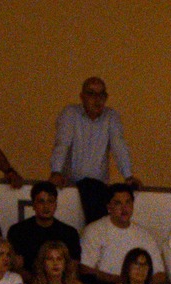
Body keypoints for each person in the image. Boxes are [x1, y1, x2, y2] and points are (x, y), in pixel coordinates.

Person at [49, 76, 135, 224]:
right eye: (91, 93)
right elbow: (62, 144)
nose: (97, 99)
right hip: (69, 187)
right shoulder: (70, 113)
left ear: (106, 97)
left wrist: (128, 176)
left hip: (97, 190)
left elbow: (119, 146)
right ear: (81, 97)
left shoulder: (111, 116)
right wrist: (56, 172)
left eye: (101, 95)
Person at [79, 185, 167, 284]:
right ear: (109, 207)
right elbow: (86, 269)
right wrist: (122, 281)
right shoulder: (94, 230)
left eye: (128, 202)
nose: (124, 208)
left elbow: (160, 274)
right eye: (118, 203)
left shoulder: (145, 235)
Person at [7, 184, 82, 277]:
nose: (46, 206)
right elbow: (15, 268)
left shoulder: (69, 233)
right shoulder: (17, 231)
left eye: (50, 201)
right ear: (33, 205)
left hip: (60, 283)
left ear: (56, 205)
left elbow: (73, 266)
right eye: (41, 201)